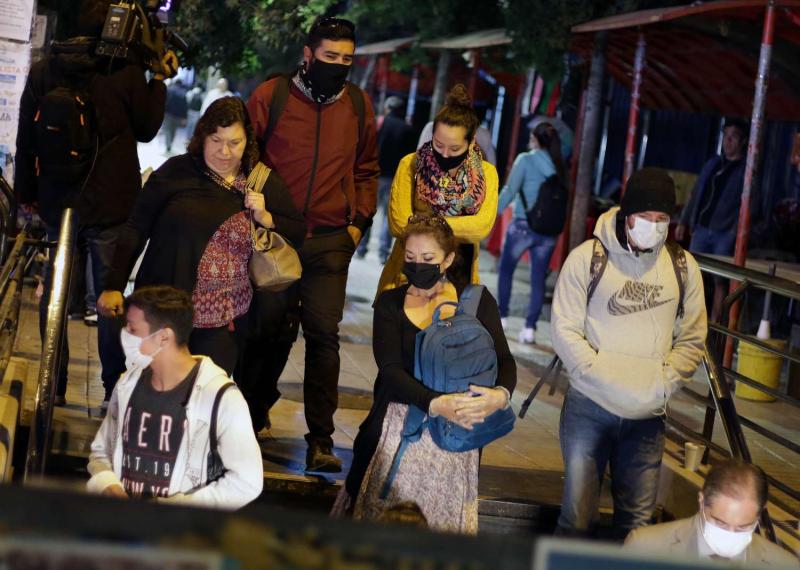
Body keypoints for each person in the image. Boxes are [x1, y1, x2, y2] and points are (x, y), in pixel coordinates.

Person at [13, 0, 173, 408]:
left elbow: (25, 137)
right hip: (110, 203)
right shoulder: (125, 70)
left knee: (55, 293)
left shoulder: (45, 69)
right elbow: (146, 128)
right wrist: (158, 79)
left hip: (57, 200)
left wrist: (26, 196)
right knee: (108, 298)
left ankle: (53, 383)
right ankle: (112, 388)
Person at [244, 16, 379, 471]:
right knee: (266, 332)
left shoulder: (358, 104)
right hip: (276, 237)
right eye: (329, 56)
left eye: (347, 59)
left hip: (329, 241)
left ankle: (321, 440)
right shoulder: (272, 95)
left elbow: (367, 167)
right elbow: (247, 155)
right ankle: (249, 416)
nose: (338, 65)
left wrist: (358, 223)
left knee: (324, 336)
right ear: (308, 54)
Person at [97, 97, 305, 376]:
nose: (224, 152)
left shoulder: (260, 182)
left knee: (204, 391)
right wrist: (114, 285)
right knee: (155, 385)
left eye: (235, 142)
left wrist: (266, 218)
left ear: (248, 142)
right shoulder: (176, 172)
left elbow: (298, 232)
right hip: (162, 307)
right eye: (216, 140)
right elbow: (136, 227)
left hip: (222, 319)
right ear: (202, 136)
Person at [552, 168, 707, 538]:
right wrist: (593, 371)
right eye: (645, 216)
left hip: (647, 416)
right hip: (589, 407)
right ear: (626, 215)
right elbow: (564, 327)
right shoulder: (587, 258)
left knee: (638, 526)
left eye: (662, 218)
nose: (653, 226)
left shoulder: (683, 267)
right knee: (577, 519)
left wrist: (664, 383)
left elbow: (693, 336)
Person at [338, 215, 516, 533]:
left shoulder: (477, 302)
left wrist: (499, 396)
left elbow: (504, 359)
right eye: (410, 257)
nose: (417, 265)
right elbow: (390, 371)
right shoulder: (390, 303)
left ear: (447, 260)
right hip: (398, 429)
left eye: (427, 258)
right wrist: (436, 403)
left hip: (455, 435)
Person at [87, 286, 263, 510]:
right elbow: (101, 452)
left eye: (132, 329)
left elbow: (247, 482)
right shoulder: (127, 384)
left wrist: (179, 511)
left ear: (163, 337)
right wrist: (107, 484)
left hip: (182, 530)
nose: (125, 335)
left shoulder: (222, 397)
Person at [378, 84, 498, 296]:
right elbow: (399, 224)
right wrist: (453, 227)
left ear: (471, 143)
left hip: (459, 276)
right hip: (409, 272)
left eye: (455, 148)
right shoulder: (411, 164)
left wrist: (424, 222)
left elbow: (480, 227)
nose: (445, 154)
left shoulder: (487, 173)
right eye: (438, 145)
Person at [625, 460, 799, 567]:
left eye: (742, 528)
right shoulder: (646, 547)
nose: (730, 535)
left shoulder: (785, 565)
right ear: (702, 501)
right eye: (720, 523)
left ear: (760, 515)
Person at [676, 118, 754, 322]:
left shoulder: (745, 170)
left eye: (733, 137)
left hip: (724, 233)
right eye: (725, 135)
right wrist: (684, 220)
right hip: (701, 228)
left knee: (720, 280)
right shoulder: (713, 164)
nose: (728, 141)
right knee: (692, 274)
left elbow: (750, 204)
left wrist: (735, 231)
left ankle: (714, 323)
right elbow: (696, 193)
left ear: (743, 141)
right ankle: (688, 318)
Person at [495, 122, 564, 345]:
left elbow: (510, 190)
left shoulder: (525, 160)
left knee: (506, 270)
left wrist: (492, 212)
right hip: (548, 232)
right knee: (538, 278)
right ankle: (530, 328)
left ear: (535, 140)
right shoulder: (559, 165)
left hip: (523, 226)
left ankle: (502, 317)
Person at [356, 95, 416, 263]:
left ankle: (361, 248)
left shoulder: (377, 122)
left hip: (373, 175)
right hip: (394, 178)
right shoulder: (407, 129)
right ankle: (383, 252)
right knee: (388, 217)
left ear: (387, 108)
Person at [162, 78, 189, 154]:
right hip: (177, 116)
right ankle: (170, 144)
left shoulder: (169, 90)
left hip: (168, 114)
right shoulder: (183, 93)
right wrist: (184, 117)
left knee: (167, 130)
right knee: (173, 130)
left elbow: (164, 101)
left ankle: (168, 145)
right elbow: (185, 106)